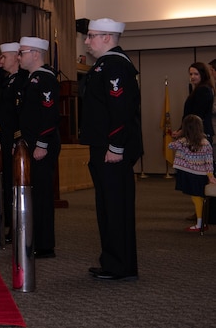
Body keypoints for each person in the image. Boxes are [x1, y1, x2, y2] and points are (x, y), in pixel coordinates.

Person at [79, 18, 142, 281]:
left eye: (91, 36)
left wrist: (116, 146)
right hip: (104, 147)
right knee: (108, 206)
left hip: (112, 149)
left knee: (115, 207)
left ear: (107, 37)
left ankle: (119, 264)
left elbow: (121, 110)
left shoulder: (115, 65)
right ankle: (114, 261)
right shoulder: (105, 65)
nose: (86, 40)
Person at [17, 36, 61, 258]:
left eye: (22, 52)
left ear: (35, 54)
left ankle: (45, 245)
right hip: (33, 143)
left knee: (42, 194)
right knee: (35, 193)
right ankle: (36, 239)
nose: (19, 56)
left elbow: (49, 114)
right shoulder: (32, 78)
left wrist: (41, 144)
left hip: (42, 144)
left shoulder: (44, 79)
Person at [0, 42, 27, 241]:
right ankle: (10, 225)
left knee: (15, 185)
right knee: (7, 184)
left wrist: (18, 138)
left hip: (16, 139)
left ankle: (15, 227)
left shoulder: (22, 80)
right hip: (6, 138)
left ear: (16, 57)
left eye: (4, 57)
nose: (0, 61)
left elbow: (21, 114)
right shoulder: (8, 81)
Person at [170, 114, 216, 231]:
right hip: (201, 175)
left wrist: (179, 135)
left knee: (196, 198)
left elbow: (171, 145)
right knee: (199, 197)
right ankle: (202, 223)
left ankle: (199, 224)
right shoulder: (205, 143)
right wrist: (210, 176)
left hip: (189, 174)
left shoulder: (183, 142)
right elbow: (209, 161)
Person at [173, 62, 214, 145]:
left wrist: (182, 131)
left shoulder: (203, 90)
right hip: (195, 132)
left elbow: (197, 114)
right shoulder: (200, 89)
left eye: (196, 74)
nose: (192, 77)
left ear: (202, 74)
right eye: (191, 74)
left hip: (199, 133)